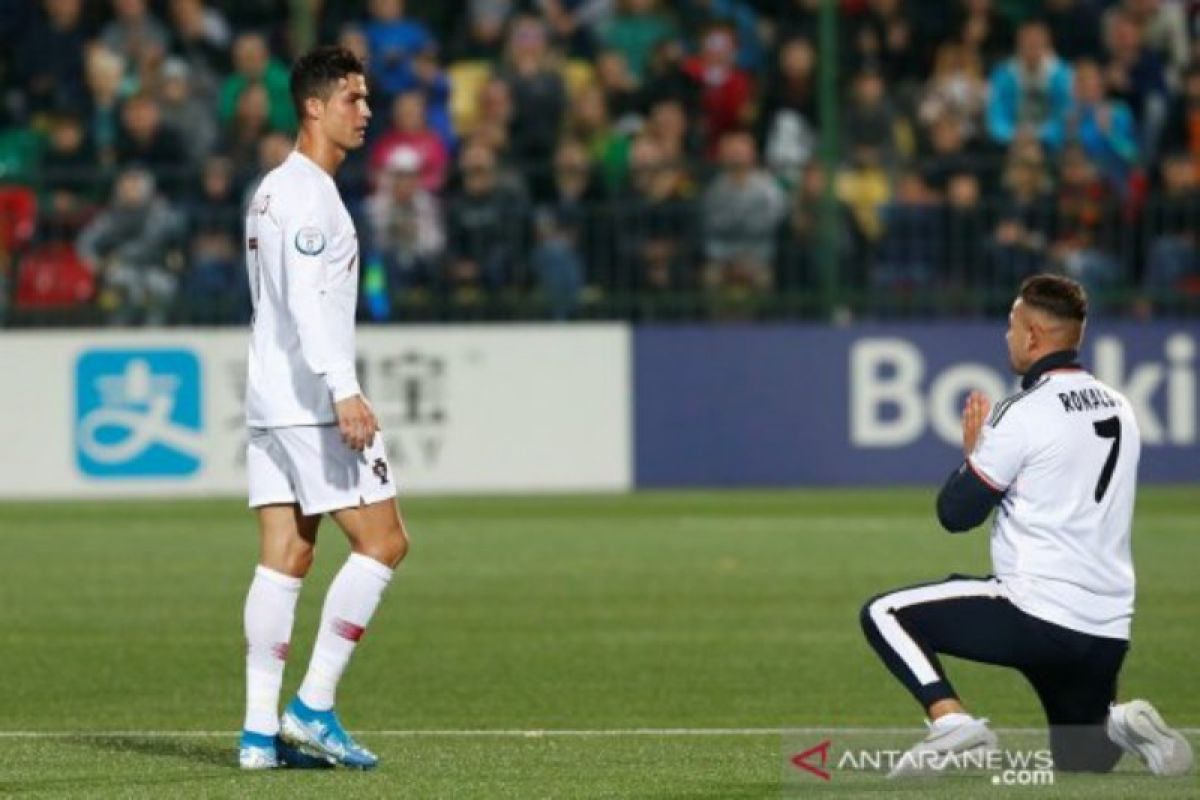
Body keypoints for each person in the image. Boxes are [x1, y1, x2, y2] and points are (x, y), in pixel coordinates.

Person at [860, 275, 1194, 779]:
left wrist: (971, 458)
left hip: (1033, 613)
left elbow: (956, 514)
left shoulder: (1022, 413)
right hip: (1105, 625)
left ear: (1034, 335)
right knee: (1083, 761)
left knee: (884, 614)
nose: (1007, 336)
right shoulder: (1120, 406)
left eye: (1011, 325)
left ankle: (951, 724)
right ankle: (1123, 723)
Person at [238, 45, 409, 771]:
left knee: (286, 557)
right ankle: (311, 707)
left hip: (270, 399)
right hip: (310, 400)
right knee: (385, 542)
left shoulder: (272, 190)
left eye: (366, 99)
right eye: (352, 98)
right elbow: (309, 303)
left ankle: (255, 737)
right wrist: (343, 386)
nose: (365, 111)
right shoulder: (308, 197)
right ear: (313, 105)